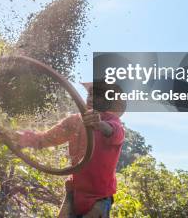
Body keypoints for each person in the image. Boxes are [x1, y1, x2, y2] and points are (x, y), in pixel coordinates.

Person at [17, 83, 126, 218]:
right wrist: (18, 138)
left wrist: (99, 125)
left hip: (99, 198)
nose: (91, 99)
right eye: (90, 94)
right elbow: (44, 139)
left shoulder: (113, 122)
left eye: (97, 96)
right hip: (74, 193)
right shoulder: (75, 121)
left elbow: (115, 132)